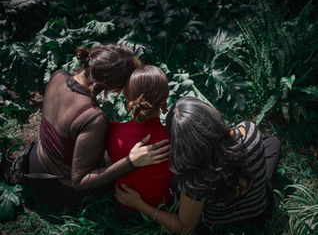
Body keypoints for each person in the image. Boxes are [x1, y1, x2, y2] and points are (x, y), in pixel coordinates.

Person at [28, 43, 170, 209]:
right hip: (60, 189)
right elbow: (79, 181)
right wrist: (131, 162)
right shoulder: (93, 117)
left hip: (35, 162)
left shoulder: (58, 76)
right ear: (116, 86)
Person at [115, 97, 281, 234]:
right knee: (272, 143)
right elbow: (227, 143)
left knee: (174, 184)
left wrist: (139, 204)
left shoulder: (194, 180)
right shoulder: (250, 131)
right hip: (260, 209)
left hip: (220, 223)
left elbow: (184, 229)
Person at [106, 65, 173, 220]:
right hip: (161, 207)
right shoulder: (171, 137)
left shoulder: (114, 132)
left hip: (123, 208)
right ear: (165, 100)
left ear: (125, 94)